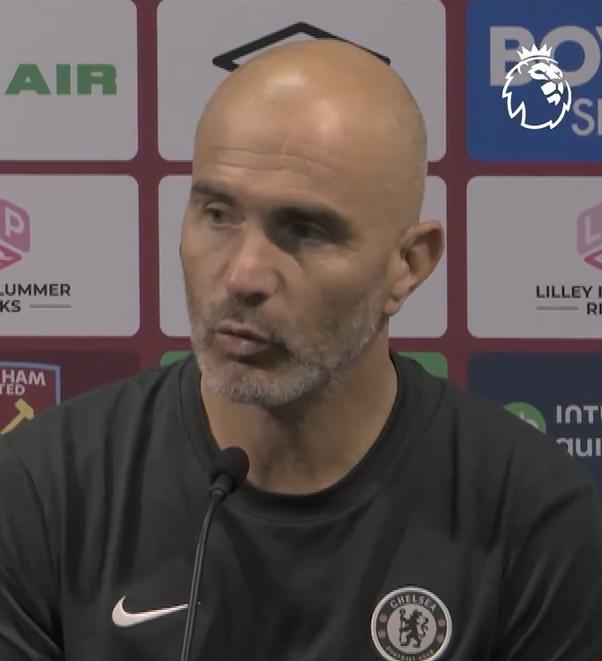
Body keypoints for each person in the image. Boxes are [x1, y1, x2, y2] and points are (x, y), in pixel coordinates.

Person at [0, 38, 601, 661]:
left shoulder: (528, 510)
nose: (243, 275)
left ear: (407, 265)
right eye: (218, 214)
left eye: (306, 230)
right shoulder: (41, 491)